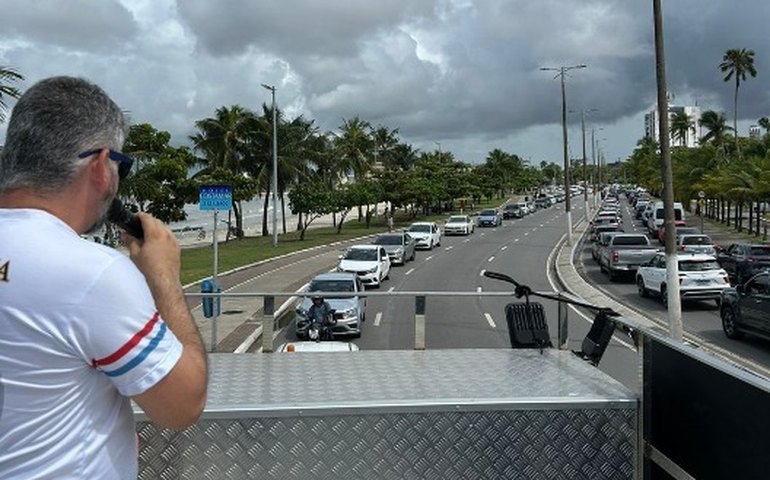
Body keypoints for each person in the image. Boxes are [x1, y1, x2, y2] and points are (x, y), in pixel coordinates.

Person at [0, 76, 208, 479]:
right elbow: (183, 405)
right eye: (121, 166)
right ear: (100, 165)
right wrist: (163, 276)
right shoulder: (91, 274)